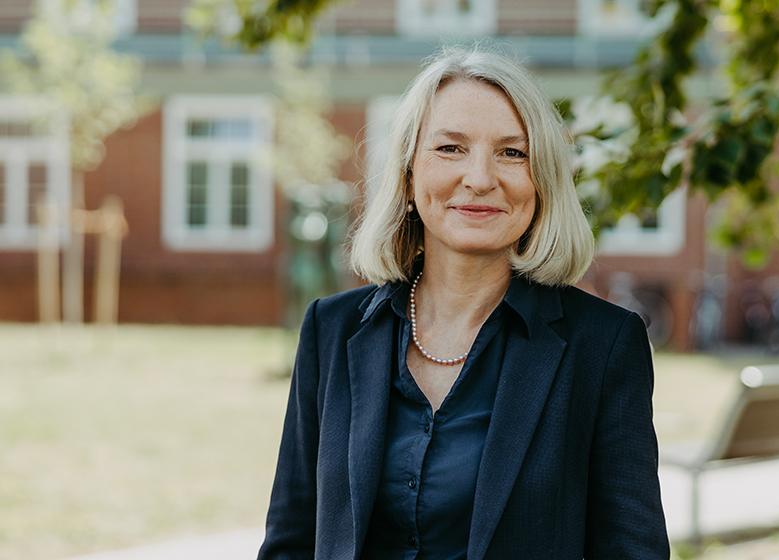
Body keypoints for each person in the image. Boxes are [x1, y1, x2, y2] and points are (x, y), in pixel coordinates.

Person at [258, 46, 670, 560]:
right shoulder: (331, 331)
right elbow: (291, 542)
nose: (479, 178)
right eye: (450, 149)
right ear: (408, 177)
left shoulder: (604, 347)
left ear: (540, 183)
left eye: (512, 153)